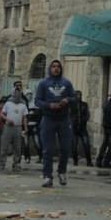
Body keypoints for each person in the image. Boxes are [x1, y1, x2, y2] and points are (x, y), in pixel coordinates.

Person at [34, 59, 76, 187]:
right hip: (48, 119)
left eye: (58, 66)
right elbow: (37, 101)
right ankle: (47, 176)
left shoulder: (67, 83)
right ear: (50, 68)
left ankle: (62, 172)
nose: (56, 68)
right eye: (53, 66)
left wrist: (67, 100)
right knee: (48, 149)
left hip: (64, 119)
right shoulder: (43, 83)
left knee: (65, 148)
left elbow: (74, 98)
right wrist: (49, 105)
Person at [0, 88, 28, 171]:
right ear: (13, 93)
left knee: (17, 147)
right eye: (16, 93)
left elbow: (24, 117)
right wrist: (7, 119)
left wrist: (25, 128)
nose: (17, 95)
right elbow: (2, 114)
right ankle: (2, 164)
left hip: (18, 127)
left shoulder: (23, 104)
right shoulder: (8, 103)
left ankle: (16, 164)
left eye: (19, 93)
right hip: (8, 127)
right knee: (4, 146)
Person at [71, 91, 92, 167]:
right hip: (74, 127)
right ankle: (75, 161)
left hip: (82, 127)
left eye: (79, 95)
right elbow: (68, 115)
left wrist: (84, 119)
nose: (78, 96)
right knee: (74, 145)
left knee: (86, 144)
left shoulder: (84, 104)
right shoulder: (71, 105)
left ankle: (89, 161)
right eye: (77, 95)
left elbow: (87, 114)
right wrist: (72, 122)